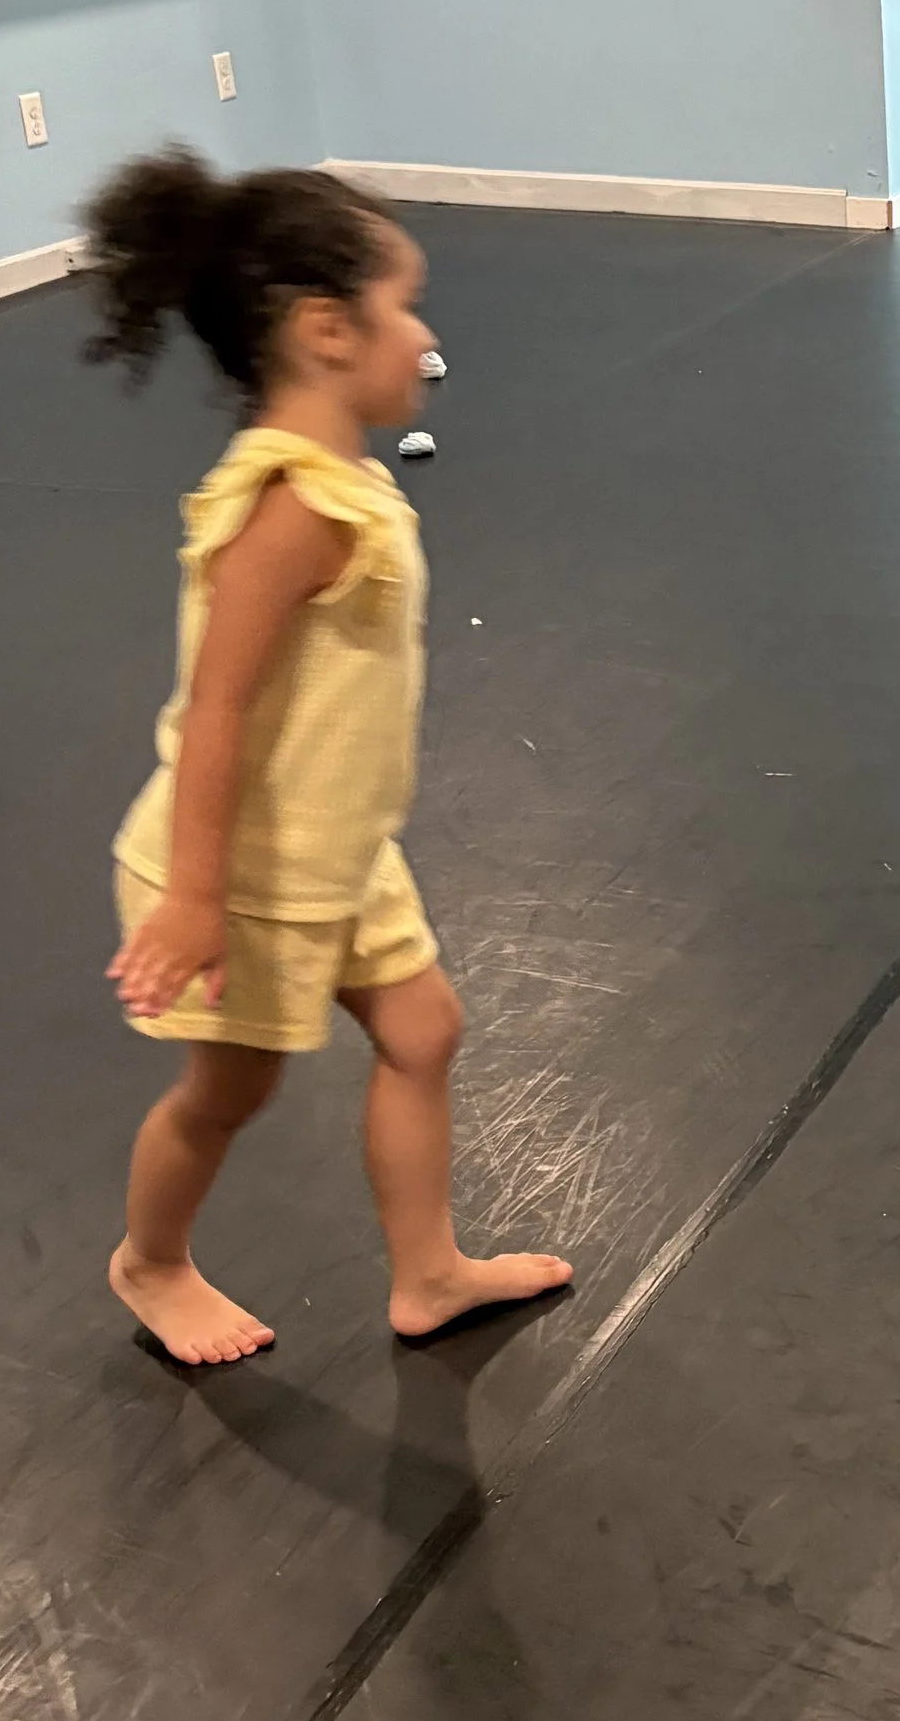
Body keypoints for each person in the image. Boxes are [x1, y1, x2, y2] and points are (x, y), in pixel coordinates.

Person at [88, 149, 571, 1368]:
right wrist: (196, 895)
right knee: (228, 1095)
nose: (422, 336)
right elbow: (216, 713)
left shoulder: (339, 486)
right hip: (248, 879)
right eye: (403, 306)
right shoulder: (294, 505)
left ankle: (428, 1273)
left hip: (339, 854)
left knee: (423, 1032)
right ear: (324, 331)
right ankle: (149, 1262)